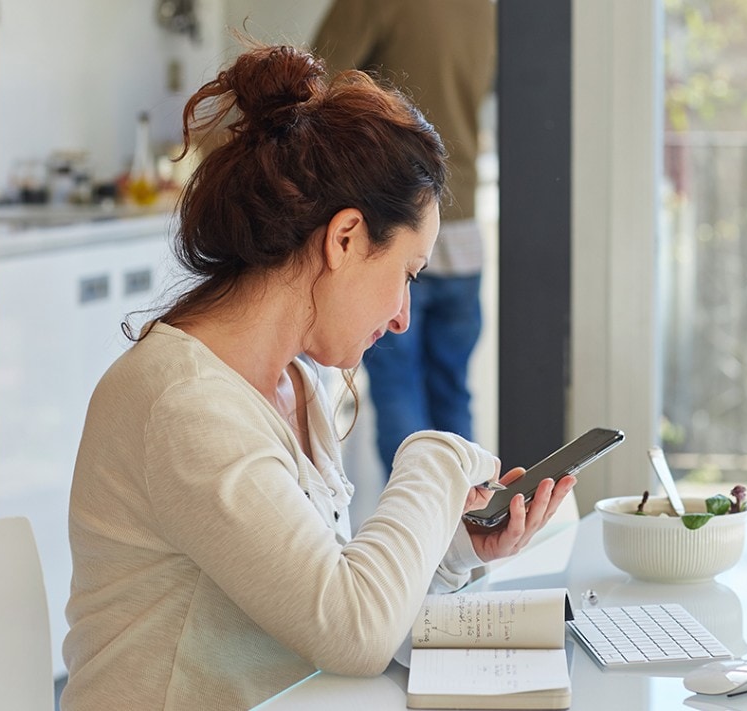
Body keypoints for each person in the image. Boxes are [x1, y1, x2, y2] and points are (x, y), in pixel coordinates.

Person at [59, 43, 576, 711]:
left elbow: (320, 603)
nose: (401, 317)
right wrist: (433, 460)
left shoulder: (295, 385)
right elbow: (352, 632)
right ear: (346, 239)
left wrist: (449, 550)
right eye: (406, 275)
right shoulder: (185, 405)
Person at [312, 0, 496, 475]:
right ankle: (466, 531)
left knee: (398, 395)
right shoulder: (483, 8)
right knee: (452, 391)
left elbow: (311, 86)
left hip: (395, 223)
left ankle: (415, 540)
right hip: (465, 223)